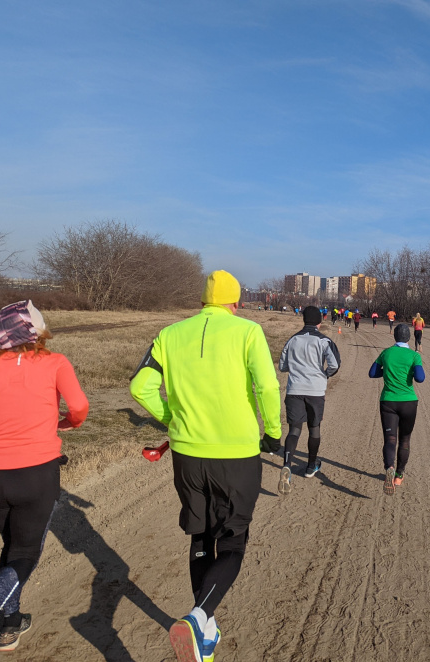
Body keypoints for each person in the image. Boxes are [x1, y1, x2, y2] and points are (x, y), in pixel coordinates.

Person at [129, 270, 282, 662]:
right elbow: (266, 386)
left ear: (201, 302)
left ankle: (206, 632)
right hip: (236, 453)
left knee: (200, 537)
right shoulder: (248, 332)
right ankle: (198, 618)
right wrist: (274, 431)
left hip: (187, 453)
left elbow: (140, 387)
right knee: (232, 540)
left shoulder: (168, 334)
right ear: (236, 303)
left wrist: (172, 418)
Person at [0, 300, 89, 661]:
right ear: (37, 332)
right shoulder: (56, 363)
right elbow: (79, 407)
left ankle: (11, 622)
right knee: (26, 555)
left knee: (13, 547)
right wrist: (67, 423)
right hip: (35, 475)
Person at [277, 306, 341, 495]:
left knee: (294, 429)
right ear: (320, 321)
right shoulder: (324, 340)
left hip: (294, 389)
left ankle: (287, 465)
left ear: (303, 320)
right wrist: (323, 375)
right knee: (314, 428)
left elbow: (282, 366)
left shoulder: (292, 339)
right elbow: (335, 364)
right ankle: (310, 466)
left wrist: (296, 368)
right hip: (315, 390)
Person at [368, 324, 425, 495]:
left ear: (395, 337)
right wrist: (410, 372)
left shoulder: (386, 353)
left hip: (388, 402)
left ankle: (389, 467)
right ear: (408, 338)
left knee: (390, 439)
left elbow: (372, 373)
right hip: (408, 402)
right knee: (405, 439)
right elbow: (420, 378)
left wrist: (387, 373)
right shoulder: (414, 355)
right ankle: (399, 476)